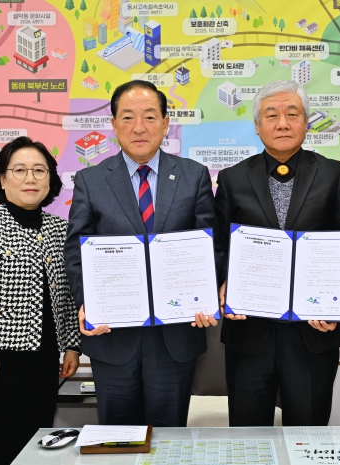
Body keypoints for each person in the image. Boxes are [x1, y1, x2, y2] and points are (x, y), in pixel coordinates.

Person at [64, 80, 217, 427]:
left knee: (169, 439)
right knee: (116, 439)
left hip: (176, 333)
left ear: (165, 123)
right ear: (114, 124)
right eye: (128, 117)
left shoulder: (193, 176)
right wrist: (88, 302)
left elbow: (210, 245)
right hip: (112, 334)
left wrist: (206, 297)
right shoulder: (91, 180)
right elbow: (75, 251)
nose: (139, 127)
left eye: (149, 117)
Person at [214, 80, 340, 426]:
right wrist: (222, 284)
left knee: (307, 437)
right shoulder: (233, 179)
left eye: (292, 114)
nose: (282, 123)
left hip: (313, 333)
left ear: (306, 122)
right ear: (257, 126)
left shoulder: (333, 174)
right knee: (249, 438)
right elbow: (219, 245)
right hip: (249, 334)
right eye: (272, 115)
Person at [0, 136, 80, 465]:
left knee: (38, 453)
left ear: (50, 179)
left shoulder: (60, 229)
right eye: (19, 170)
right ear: (2, 179)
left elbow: (66, 295)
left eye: (39, 170)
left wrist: (72, 346)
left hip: (44, 363)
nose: (30, 178)